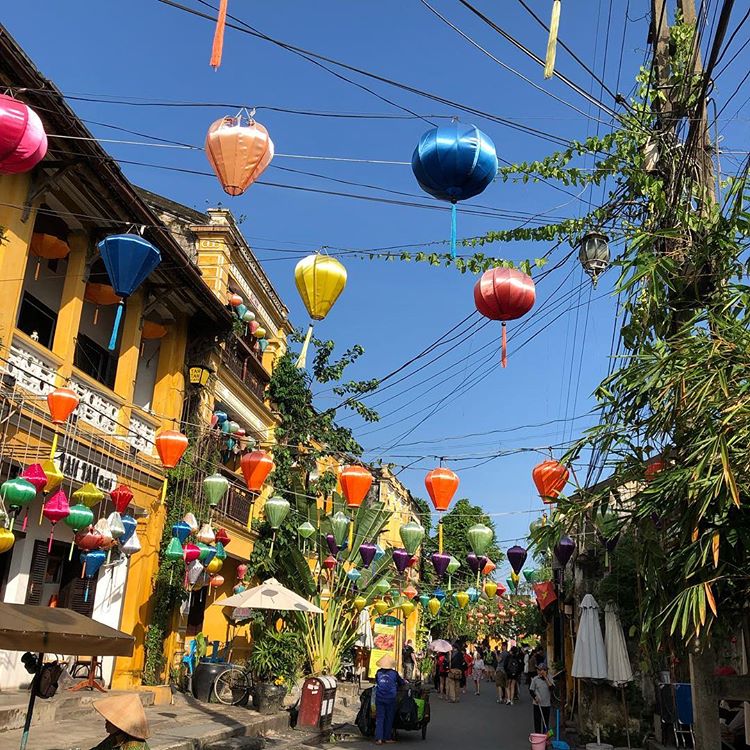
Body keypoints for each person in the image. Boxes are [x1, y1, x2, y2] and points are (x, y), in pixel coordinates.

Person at [374, 654, 405, 745]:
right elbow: (401, 682)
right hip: (390, 698)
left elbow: (377, 681)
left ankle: (379, 739)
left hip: (379, 698)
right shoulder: (394, 673)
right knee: (389, 718)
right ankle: (387, 738)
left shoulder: (378, 673)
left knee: (380, 718)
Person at [529, 663, 555, 734]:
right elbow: (531, 690)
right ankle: (538, 736)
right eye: (539, 670)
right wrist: (535, 697)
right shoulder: (535, 679)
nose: (540, 672)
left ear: (546, 671)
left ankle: (544, 737)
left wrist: (546, 678)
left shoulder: (550, 678)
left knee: (545, 722)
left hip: (546, 704)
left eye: (542, 670)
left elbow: (552, 688)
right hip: (537, 704)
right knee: (537, 721)